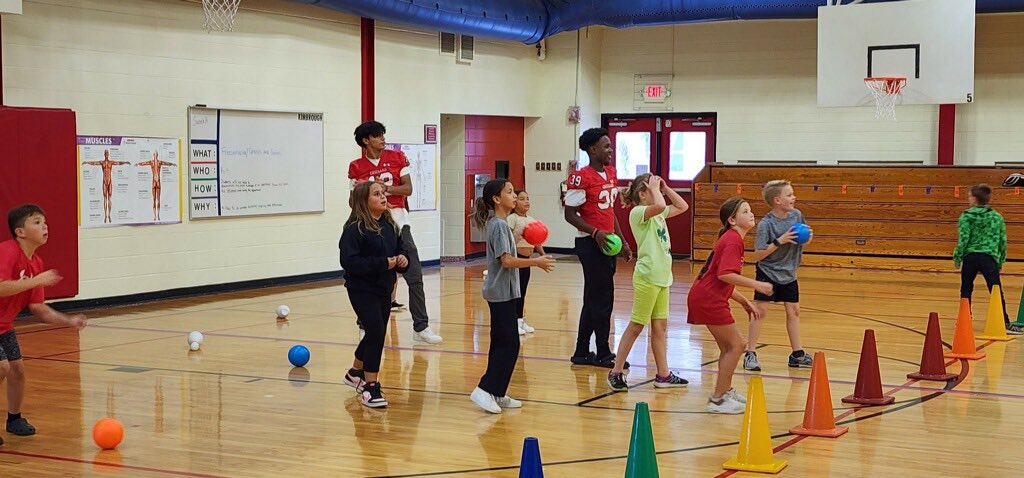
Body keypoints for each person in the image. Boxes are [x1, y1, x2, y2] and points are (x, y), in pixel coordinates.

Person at [0, 205, 88, 443]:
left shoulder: (35, 262)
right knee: (2, 367)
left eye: (45, 222)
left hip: (3, 325)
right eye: (37, 222)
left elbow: (38, 308)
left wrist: (68, 320)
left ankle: (14, 418)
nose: (44, 226)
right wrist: (36, 281)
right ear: (20, 232)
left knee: (17, 369)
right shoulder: (7, 251)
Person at [349, 121, 442, 344]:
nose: (383, 139)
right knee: (372, 279)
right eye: (378, 135)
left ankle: (421, 327)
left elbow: (408, 189)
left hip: (400, 223)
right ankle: (365, 326)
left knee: (415, 275)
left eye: (383, 134)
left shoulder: (397, 157)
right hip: (372, 226)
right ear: (366, 140)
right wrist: (366, 188)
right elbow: (352, 201)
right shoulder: (356, 166)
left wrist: (384, 188)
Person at [469, 179, 555, 413]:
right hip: (499, 293)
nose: (514, 195)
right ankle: (485, 389)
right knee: (507, 343)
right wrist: (535, 262)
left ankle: (497, 392)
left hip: (506, 292)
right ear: (497, 199)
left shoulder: (504, 224)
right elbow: (506, 260)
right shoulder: (497, 225)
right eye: (509, 192)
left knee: (506, 343)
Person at [687, 197, 773, 414]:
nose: (751, 214)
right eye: (745, 211)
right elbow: (725, 275)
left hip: (706, 296)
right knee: (737, 345)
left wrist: (744, 301)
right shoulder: (733, 240)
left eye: (751, 210)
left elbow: (719, 278)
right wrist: (757, 285)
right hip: (708, 300)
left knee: (729, 348)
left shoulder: (731, 238)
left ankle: (724, 392)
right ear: (732, 220)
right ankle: (718, 399)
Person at [607, 174, 689, 391]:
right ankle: (616, 371)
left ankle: (663, 375)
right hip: (647, 277)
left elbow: (682, 206)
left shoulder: (659, 213)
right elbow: (661, 204)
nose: (659, 193)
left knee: (660, 327)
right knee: (636, 325)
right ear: (642, 194)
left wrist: (666, 187)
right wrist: (656, 191)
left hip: (662, 277)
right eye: (652, 189)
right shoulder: (638, 213)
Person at [563, 128, 632, 368]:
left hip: (607, 243)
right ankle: (603, 352)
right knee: (603, 300)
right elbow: (570, 215)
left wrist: (622, 240)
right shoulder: (581, 177)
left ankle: (582, 351)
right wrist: (595, 232)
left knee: (593, 299)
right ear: (592, 150)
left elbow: (610, 212)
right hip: (590, 244)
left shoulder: (611, 173)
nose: (610, 150)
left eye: (610, 146)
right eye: (606, 146)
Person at [340, 182, 410, 408]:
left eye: (383, 193)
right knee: (376, 331)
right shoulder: (354, 229)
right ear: (364, 201)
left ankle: (354, 372)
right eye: (377, 194)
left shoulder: (389, 224)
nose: (383, 197)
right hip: (361, 289)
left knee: (374, 331)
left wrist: (402, 260)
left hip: (383, 287)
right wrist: (383, 263)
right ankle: (371, 387)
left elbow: (399, 249)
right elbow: (350, 262)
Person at [744, 180, 814, 371]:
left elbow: (804, 239)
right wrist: (779, 241)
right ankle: (750, 353)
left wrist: (807, 237)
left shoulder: (797, 215)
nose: (794, 197)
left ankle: (797, 354)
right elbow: (758, 254)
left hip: (789, 272)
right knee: (761, 311)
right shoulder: (766, 224)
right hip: (768, 271)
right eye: (789, 195)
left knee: (794, 311)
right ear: (777, 200)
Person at [954, 184, 1023, 335]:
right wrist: (1001, 260)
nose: (968, 199)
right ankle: (1004, 322)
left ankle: (964, 320)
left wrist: (958, 256)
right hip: (989, 257)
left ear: (975, 198)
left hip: (970, 257)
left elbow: (963, 239)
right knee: (996, 290)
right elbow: (1002, 241)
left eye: (970, 196)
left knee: (966, 288)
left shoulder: (966, 216)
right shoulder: (996, 217)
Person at [506, 189, 545, 335]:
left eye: (528, 198)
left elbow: (537, 241)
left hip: (527, 261)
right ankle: (512, 322)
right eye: (522, 198)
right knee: (515, 292)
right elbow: (508, 239)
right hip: (516, 260)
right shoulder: (512, 219)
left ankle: (520, 320)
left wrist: (543, 254)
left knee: (523, 291)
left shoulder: (531, 220)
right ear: (515, 203)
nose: (526, 201)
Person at [82, 149, 130, 223]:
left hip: (110, 181)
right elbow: (94, 163)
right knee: (105, 198)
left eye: (107, 153)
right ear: (104, 154)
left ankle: (109, 216)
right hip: (104, 181)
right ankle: (105, 216)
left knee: (109, 198)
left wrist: (125, 162)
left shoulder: (111, 162)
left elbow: (119, 163)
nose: (107, 154)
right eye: (106, 153)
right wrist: (86, 162)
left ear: (108, 154)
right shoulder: (102, 162)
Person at [135, 151, 177, 221]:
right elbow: (144, 163)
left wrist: (172, 164)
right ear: (153, 155)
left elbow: (166, 163)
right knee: (154, 199)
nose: (155, 155)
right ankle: (154, 216)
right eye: (154, 154)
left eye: (156, 154)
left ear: (157, 154)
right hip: (154, 181)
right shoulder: (151, 162)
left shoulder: (159, 162)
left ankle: (158, 215)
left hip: (158, 181)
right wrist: (138, 164)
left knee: (158, 199)